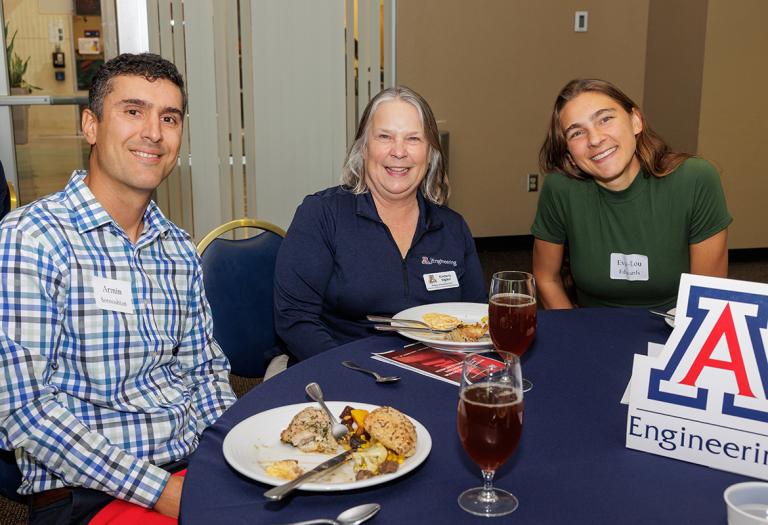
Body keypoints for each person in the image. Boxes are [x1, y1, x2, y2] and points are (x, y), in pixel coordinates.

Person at [0, 53, 236, 524]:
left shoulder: (178, 249)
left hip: (191, 469)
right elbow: (23, 412)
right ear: (91, 125)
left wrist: (231, 457)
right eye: (133, 111)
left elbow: (206, 372)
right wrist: (164, 493)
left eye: (168, 118)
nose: (153, 132)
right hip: (86, 490)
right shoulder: (31, 238)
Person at [274, 86, 486, 360]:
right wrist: (354, 373)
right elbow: (295, 319)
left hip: (435, 373)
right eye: (385, 137)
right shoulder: (322, 215)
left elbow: (476, 321)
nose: (399, 152)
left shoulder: (452, 228)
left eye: (413, 139)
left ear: (430, 152)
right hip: (341, 373)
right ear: (363, 147)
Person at [532, 78, 732, 310]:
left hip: (674, 332)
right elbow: (546, 279)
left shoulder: (694, 179)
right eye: (577, 133)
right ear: (568, 153)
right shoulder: (560, 189)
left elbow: (709, 294)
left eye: (605, 119)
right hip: (593, 332)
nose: (595, 139)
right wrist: (573, 335)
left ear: (636, 121)